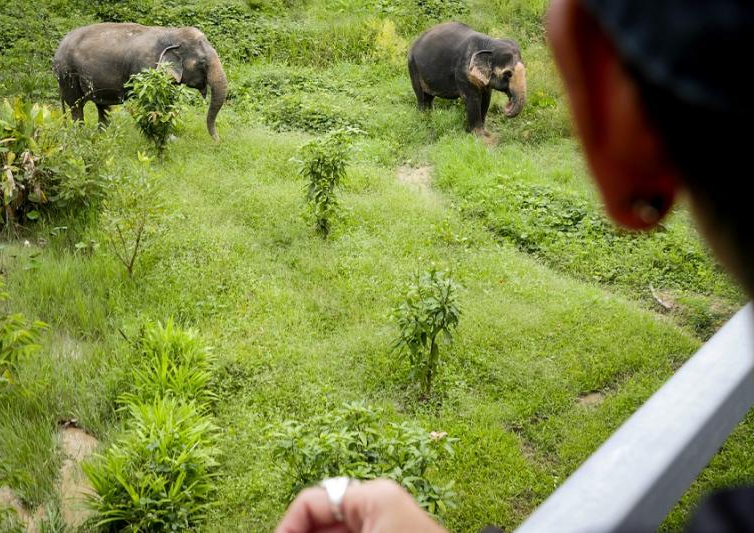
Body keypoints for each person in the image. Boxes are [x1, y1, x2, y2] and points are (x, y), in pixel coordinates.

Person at [275, 0, 754, 531]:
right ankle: (452, 124)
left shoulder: (489, 62)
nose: (512, 84)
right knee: (462, 111)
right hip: (432, 64)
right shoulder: (466, 63)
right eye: (508, 79)